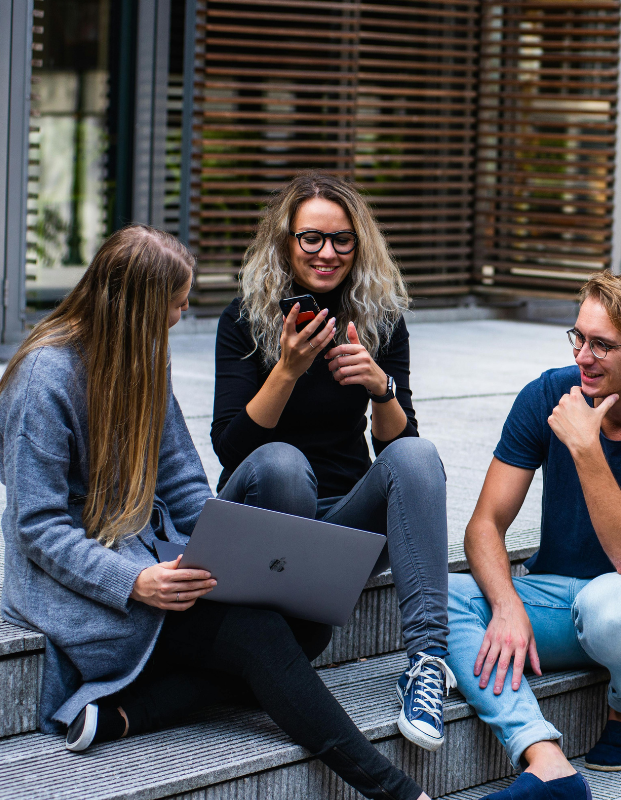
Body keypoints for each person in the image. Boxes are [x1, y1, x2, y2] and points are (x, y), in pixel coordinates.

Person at [0, 225, 431, 800]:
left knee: (307, 628)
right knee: (260, 636)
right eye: (176, 303)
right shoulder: (42, 380)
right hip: (82, 584)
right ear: (138, 305)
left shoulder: (143, 356)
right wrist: (136, 581)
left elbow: (183, 484)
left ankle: (131, 713)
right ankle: (398, 793)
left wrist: (234, 548)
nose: (183, 313)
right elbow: (38, 527)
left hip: (154, 560)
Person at [446, 272, 621, 800]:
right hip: (554, 594)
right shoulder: (548, 394)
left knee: (611, 606)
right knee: (444, 597)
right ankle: (544, 759)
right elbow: (484, 524)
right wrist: (506, 606)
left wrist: (586, 447)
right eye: (578, 337)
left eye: (601, 344)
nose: (583, 356)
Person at [210, 171, 453, 752]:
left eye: (342, 239)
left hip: (342, 528)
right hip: (265, 515)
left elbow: (400, 453)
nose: (327, 253)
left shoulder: (380, 319)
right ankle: (277, 641)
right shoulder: (243, 320)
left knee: (419, 456)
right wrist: (287, 370)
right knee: (283, 464)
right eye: (311, 238)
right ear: (286, 242)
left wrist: (381, 387)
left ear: (359, 243)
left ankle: (426, 665)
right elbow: (231, 448)